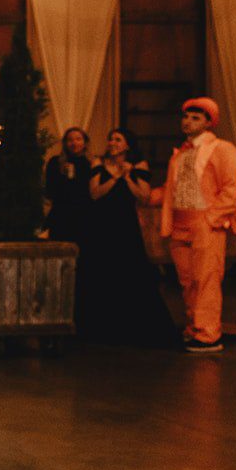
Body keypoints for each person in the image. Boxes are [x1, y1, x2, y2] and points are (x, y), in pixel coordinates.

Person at [150, 97, 236, 353]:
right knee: (188, 281)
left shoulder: (222, 149)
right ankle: (194, 328)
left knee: (206, 280)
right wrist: (148, 194)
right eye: (186, 116)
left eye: (195, 118)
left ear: (208, 123)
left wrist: (210, 219)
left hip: (205, 224)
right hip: (180, 225)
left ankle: (208, 334)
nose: (188, 121)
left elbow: (234, 187)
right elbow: (173, 189)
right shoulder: (180, 154)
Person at [77, 129, 179, 347]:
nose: (112, 143)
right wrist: (115, 177)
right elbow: (95, 193)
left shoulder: (139, 165)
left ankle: (132, 324)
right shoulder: (98, 162)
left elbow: (144, 196)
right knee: (101, 271)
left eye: (117, 139)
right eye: (110, 139)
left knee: (130, 268)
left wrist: (128, 177)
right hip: (101, 224)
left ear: (127, 145)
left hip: (125, 224)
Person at [45, 127, 93, 246]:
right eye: (70, 140)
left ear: (85, 142)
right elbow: (50, 190)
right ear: (65, 143)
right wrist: (62, 175)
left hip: (84, 214)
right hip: (61, 213)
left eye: (78, 139)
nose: (74, 143)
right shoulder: (55, 162)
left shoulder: (91, 163)